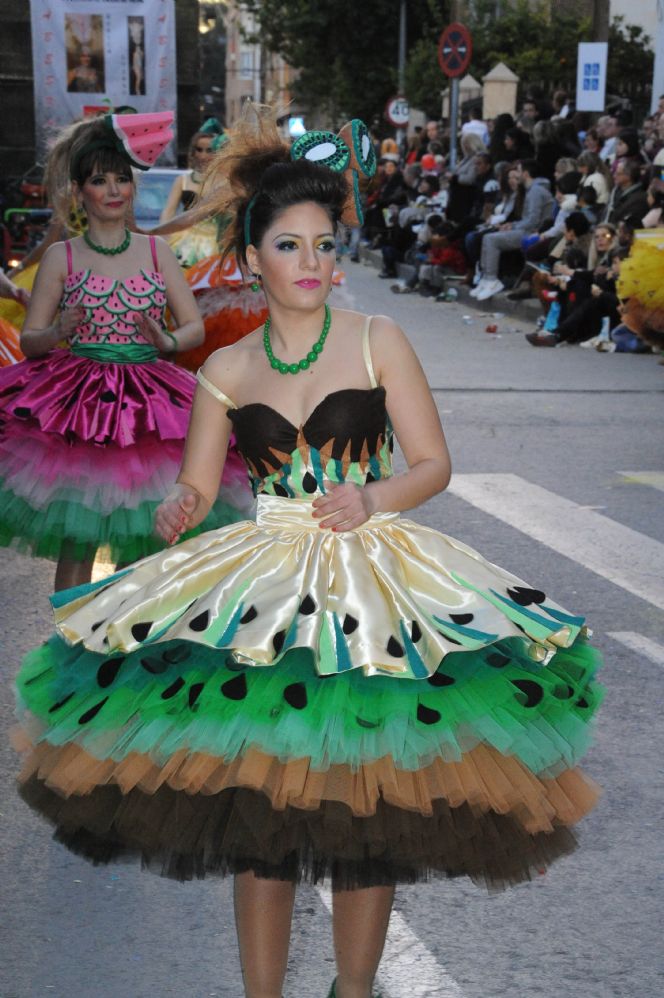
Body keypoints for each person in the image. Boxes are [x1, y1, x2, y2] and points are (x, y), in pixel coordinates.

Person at [14, 108, 603, 998]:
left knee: (372, 807)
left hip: (373, 584)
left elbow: (435, 464)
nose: (314, 264)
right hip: (265, 591)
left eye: (327, 246)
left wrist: (373, 496)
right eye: (291, 246)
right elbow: (201, 486)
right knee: (261, 818)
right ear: (253, 258)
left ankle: (353, 991)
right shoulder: (227, 367)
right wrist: (179, 505)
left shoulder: (379, 342)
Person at [0, 111, 250, 591]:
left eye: (121, 179)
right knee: (77, 537)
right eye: (99, 180)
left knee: (145, 539)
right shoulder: (62, 256)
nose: (114, 190)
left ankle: (118, 635)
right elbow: (30, 343)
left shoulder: (156, 252)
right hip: (78, 408)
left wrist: (168, 341)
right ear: (80, 192)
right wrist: (58, 330)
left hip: (147, 405)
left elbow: (193, 326)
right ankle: (71, 643)